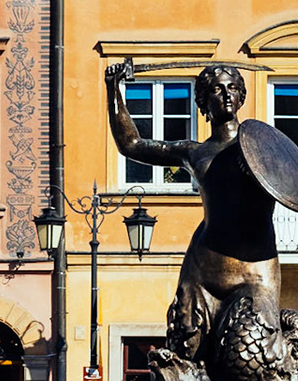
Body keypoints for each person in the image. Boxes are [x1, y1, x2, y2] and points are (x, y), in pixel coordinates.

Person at [104, 60, 285, 365]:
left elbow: (293, 185)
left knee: (250, 357)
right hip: (202, 269)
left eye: (232, 88)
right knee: (185, 356)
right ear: (203, 101)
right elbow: (131, 144)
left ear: (241, 97)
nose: (226, 95)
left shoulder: (261, 148)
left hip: (253, 269)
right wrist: (114, 90)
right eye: (217, 89)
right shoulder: (195, 152)